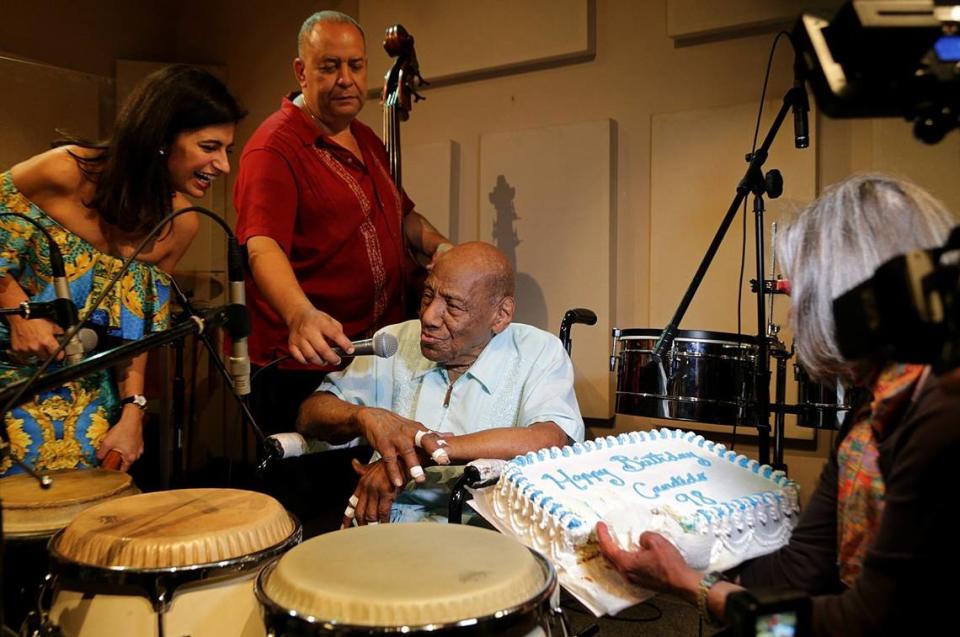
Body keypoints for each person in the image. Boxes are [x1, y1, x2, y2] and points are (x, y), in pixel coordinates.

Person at [595, 174, 960, 636]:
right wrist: (689, 564)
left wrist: (694, 589)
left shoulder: (942, 417)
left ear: (855, 299)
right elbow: (802, 567)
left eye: (801, 293)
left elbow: (860, 622)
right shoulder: (871, 412)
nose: (792, 316)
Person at [0, 65, 245, 475]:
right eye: (209, 147)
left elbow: (143, 331)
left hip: (91, 397)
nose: (222, 165)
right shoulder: (63, 171)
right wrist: (19, 313)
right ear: (162, 138)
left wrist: (133, 414)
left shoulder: (180, 225)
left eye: (227, 151)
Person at [233, 10, 452, 435]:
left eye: (355, 65)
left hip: (371, 354)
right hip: (304, 365)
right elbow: (261, 245)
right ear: (301, 71)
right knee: (312, 495)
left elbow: (401, 215)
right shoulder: (273, 148)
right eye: (330, 66)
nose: (346, 79)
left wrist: (442, 249)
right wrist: (300, 315)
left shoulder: (365, 137)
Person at [296, 242, 585, 525]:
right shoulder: (395, 341)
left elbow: (550, 438)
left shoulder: (537, 351)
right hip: (382, 525)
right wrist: (364, 416)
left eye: (453, 306)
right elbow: (310, 414)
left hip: (480, 534)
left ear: (500, 315)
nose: (429, 316)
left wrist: (421, 453)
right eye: (427, 296)